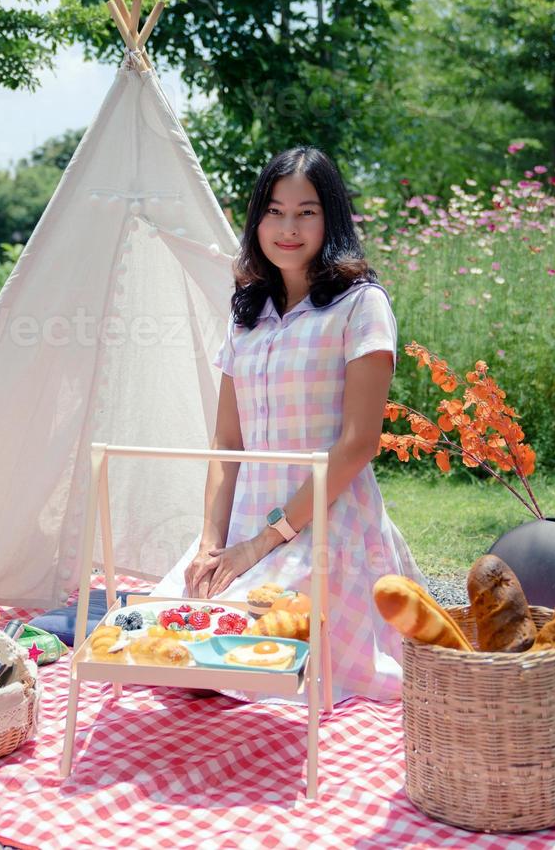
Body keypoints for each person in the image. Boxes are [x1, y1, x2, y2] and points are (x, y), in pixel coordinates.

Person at [149, 145, 427, 704]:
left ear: (332, 218)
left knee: (236, 655)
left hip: (324, 527)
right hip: (243, 529)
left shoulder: (361, 306)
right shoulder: (245, 313)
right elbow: (228, 442)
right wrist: (210, 545)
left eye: (306, 212)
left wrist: (260, 545)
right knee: (163, 641)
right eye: (274, 211)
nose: (288, 227)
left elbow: (358, 445)